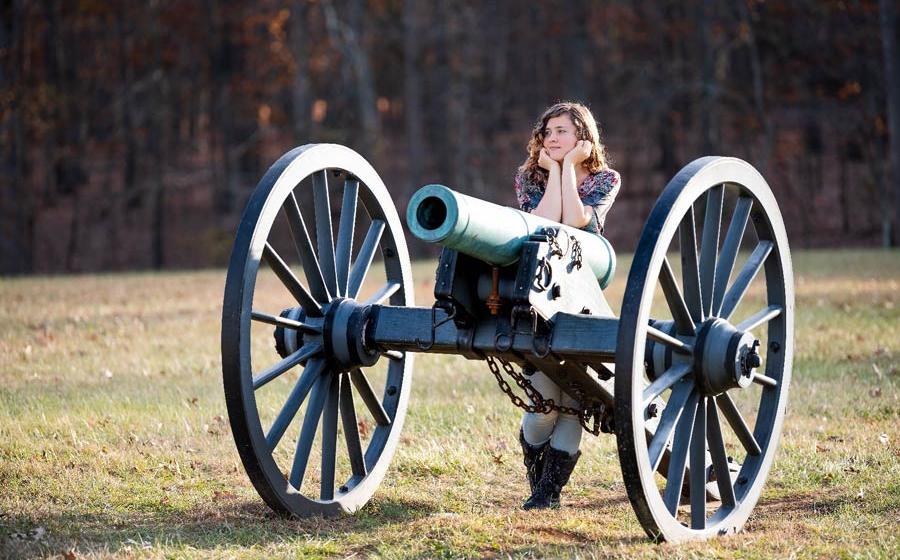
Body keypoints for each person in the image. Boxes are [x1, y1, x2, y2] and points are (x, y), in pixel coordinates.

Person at [513, 101, 620, 510]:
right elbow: (543, 221)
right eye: (549, 131)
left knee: (573, 407)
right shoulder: (527, 177)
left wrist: (564, 170)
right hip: (538, 295)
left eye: (563, 131)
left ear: (582, 138)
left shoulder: (605, 179)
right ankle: (537, 478)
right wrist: (556, 170)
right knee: (543, 405)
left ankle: (547, 494)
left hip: (580, 296)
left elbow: (576, 222)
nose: (553, 138)